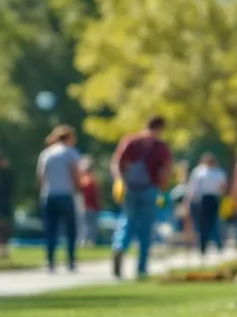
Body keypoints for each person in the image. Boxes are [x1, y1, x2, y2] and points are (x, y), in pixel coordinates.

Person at [111, 116, 173, 278]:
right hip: (149, 189)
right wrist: (163, 191)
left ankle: (120, 246)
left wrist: (120, 181)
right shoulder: (160, 146)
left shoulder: (131, 141)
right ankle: (142, 267)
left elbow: (117, 163)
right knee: (146, 228)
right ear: (160, 128)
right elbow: (166, 170)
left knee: (128, 220)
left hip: (130, 188)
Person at [37, 125, 81, 272]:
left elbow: (41, 176)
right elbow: (75, 174)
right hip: (66, 194)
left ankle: (50, 261)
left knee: (51, 229)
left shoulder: (46, 154)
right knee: (70, 230)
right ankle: (70, 261)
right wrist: (77, 190)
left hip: (49, 194)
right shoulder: (71, 153)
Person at [187, 153, 229, 255]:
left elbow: (223, 187)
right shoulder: (199, 172)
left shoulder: (217, 172)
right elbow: (193, 188)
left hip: (213, 198)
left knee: (214, 222)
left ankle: (218, 244)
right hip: (203, 199)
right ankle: (203, 245)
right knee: (203, 223)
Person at [77, 157, 101, 248]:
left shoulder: (85, 181)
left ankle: (87, 242)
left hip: (88, 207)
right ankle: (87, 242)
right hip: (87, 206)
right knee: (88, 226)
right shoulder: (89, 181)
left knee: (88, 226)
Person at [0, 153, 12, 260]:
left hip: (3, 203)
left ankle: (4, 249)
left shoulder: (5, 173)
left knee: (4, 226)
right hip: (3, 202)